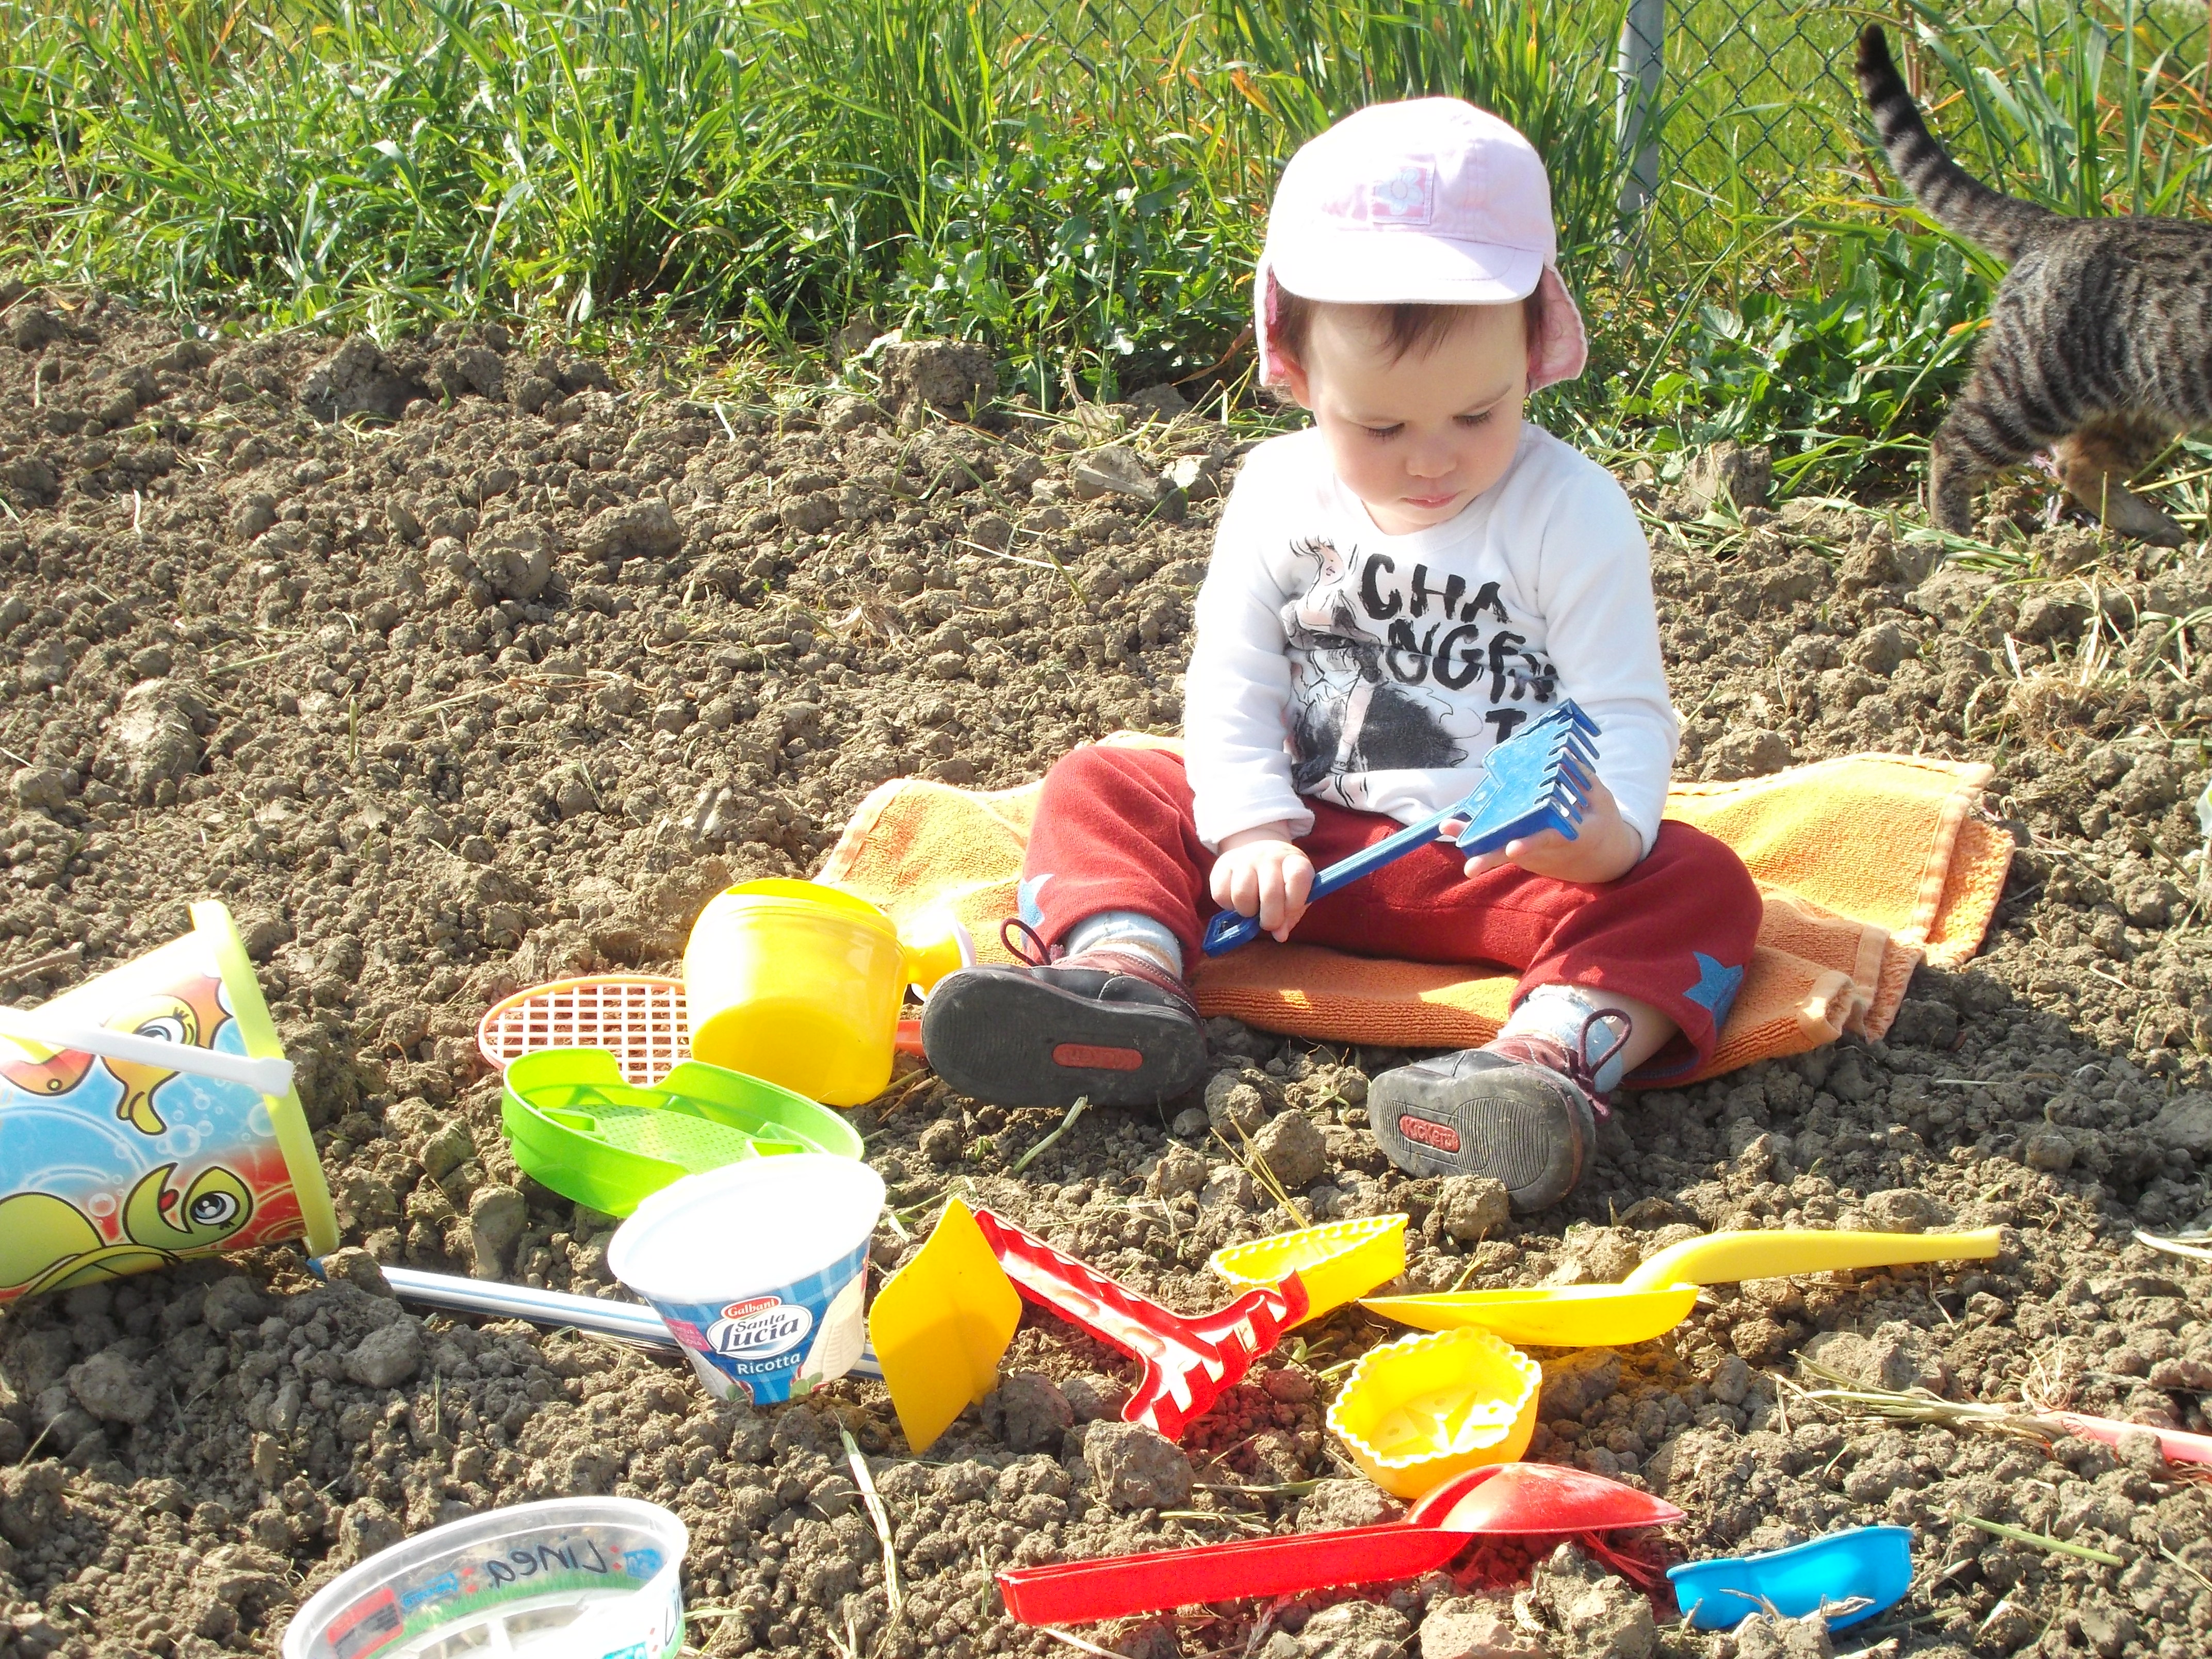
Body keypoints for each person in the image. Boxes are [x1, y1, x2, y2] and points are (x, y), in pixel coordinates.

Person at [921, 99, 1762, 1212]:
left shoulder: (1573, 511)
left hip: (1495, 865)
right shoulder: (1276, 491)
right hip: (1299, 853)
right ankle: (1121, 979)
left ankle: (1541, 1068)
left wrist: (1603, 841)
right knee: (1103, 781)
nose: (1432, 462)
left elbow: (1624, 708)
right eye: (1377, 428)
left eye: (1477, 414)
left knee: (1701, 884)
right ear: (1297, 372)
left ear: (1534, 347)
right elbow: (1231, 678)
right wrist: (1250, 826)